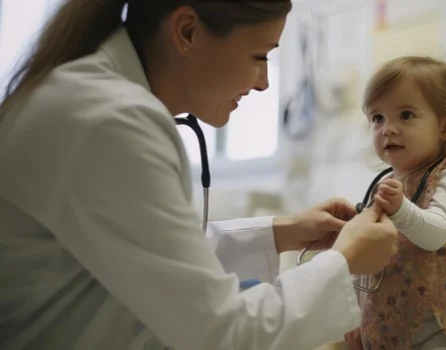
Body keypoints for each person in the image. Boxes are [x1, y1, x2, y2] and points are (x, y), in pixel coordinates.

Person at [0, 1, 400, 350]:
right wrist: (344, 262)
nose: (263, 83)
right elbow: (217, 332)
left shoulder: (91, 101)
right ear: (187, 31)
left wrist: (281, 231)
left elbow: (154, 260)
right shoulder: (106, 120)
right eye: (260, 56)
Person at [344, 56, 446, 350]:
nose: (388, 128)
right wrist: (353, 318)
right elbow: (364, 260)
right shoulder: (384, 183)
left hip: (442, 326)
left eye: (406, 115)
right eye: (377, 118)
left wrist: (401, 208)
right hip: (390, 320)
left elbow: (435, 234)